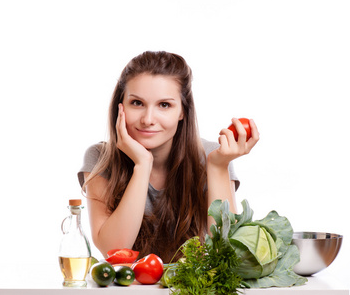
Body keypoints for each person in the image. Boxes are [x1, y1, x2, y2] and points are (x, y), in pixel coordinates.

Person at [78, 51, 259, 263]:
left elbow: (225, 252)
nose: (148, 119)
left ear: (183, 111)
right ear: (121, 107)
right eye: (137, 103)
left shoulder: (212, 155)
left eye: (164, 105)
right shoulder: (100, 158)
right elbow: (114, 251)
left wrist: (218, 167)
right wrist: (142, 165)